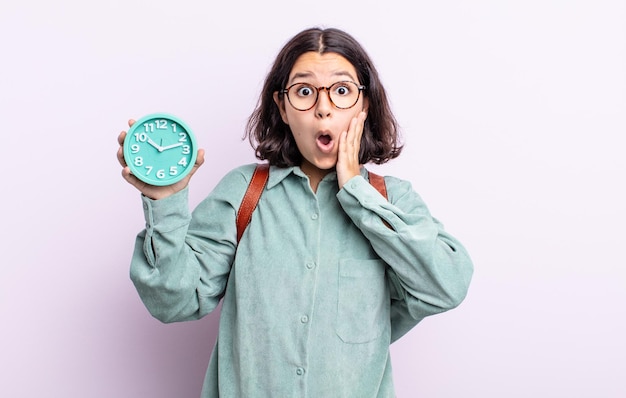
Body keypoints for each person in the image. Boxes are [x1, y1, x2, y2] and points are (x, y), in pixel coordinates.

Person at [117, 27, 473, 398]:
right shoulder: (244, 193)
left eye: (341, 91)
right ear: (283, 108)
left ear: (364, 106)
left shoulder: (393, 201)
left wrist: (356, 191)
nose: (323, 107)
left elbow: (446, 286)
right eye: (304, 92)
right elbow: (174, 301)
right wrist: (165, 202)